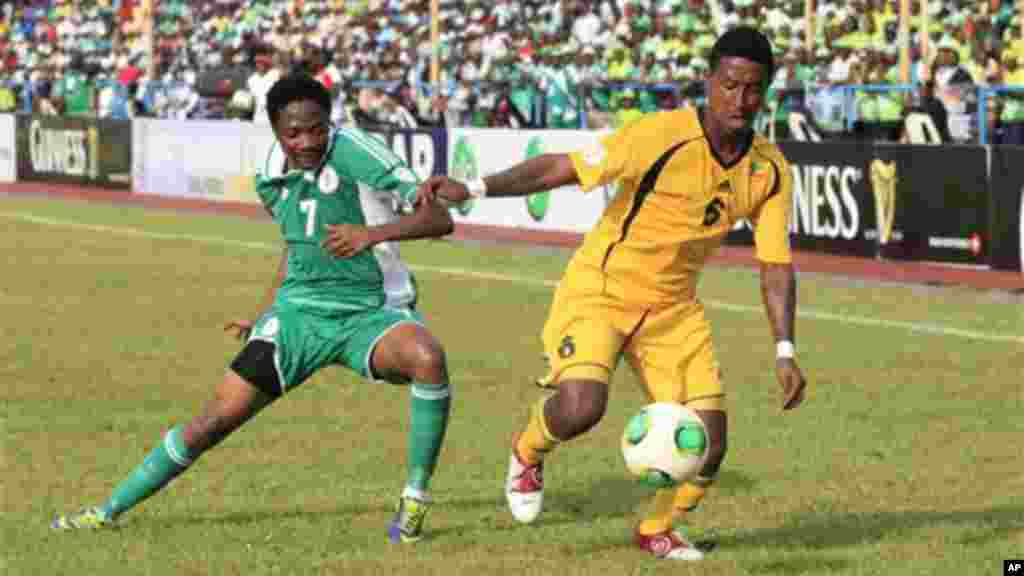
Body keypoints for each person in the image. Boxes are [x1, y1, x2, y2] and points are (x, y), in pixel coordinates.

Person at [418, 27, 808, 561]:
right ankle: (528, 451)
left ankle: (657, 529)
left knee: (710, 444)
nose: (740, 100)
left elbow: (776, 266)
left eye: (753, 89)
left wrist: (785, 350)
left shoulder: (769, 170)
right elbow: (562, 167)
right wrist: (474, 188)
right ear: (708, 82)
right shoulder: (659, 135)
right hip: (602, 290)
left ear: (767, 91)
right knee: (583, 407)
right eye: (729, 85)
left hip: (673, 311)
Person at [52, 74, 456, 544]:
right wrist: (264, 311)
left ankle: (414, 498)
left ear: (330, 122)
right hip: (299, 316)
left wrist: (373, 234)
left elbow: (438, 217)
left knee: (427, 358)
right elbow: (296, 242)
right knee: (212, 422)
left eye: (317, 129)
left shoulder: (359, 152)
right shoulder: (269, 172)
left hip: (372, 313)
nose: (307, 142)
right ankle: (107, 511)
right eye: (294, 133)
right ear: (276, 130)